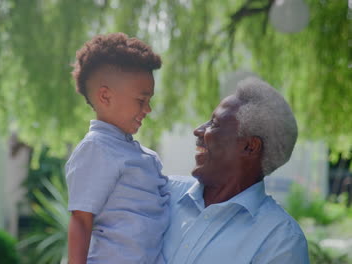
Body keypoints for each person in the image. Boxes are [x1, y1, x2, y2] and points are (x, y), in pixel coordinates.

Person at [163, 77, 310, 263]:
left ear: (250, 146)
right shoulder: (162, 193)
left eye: (214, 124)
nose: (198, 130)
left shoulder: (281, 241)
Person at [66, 33, 169, 264]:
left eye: (149, 100)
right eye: (141, 100)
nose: (148, 109)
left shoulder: (143, 155)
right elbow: (81, 220)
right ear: (105, 96)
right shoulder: (96, 148)